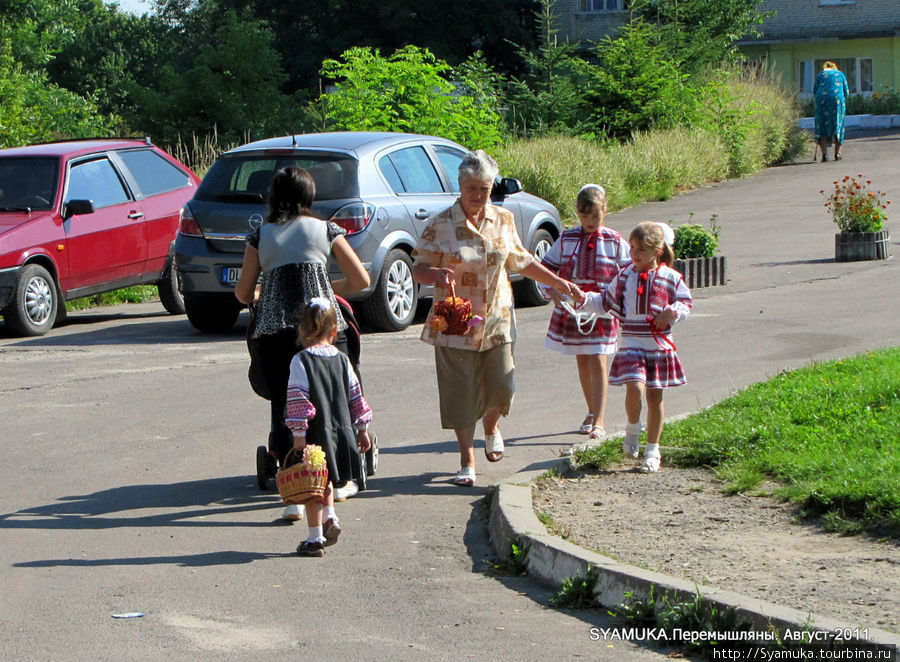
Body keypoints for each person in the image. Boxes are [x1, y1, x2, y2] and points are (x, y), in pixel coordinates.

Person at [411, 149, 581, 487]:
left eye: (484, 189)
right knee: (459, 391)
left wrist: (559, 281)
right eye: (472, 188)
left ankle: (492, 427)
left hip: (498, 318)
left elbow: (520, 259)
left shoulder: (503, 219)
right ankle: (466, 460)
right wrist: (436, 274)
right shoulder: (441, 224)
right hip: (455, 322)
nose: (477, 195)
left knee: (503, 383)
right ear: (460, 186)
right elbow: (418, 268)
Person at [235, 166, 369, 519]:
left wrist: (265, 289)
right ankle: (340, 478)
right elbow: (360, 279)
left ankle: (292, 482)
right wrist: (325, 286)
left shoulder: (259, 236)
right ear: (309, 196)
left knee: (286, 401)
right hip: (324, 326)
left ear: (273, 198)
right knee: (334, 398)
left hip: (277, 333)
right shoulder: (327, 230)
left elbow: (243, 293)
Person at [580, 221, 692, 473]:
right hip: (631, 340)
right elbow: (605, 301)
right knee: (634, 385)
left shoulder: (671, 278)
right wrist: (582, 298)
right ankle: (632, 429)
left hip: (658, 345)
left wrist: (672, 313)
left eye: (640, 250)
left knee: (654, 396)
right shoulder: (625, 275)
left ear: (657, 251)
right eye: (631, 248)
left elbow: (685, 303)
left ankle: (652, 449)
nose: (634, 255)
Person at [540, 184, 630, 439]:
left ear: (605, 211)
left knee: (598, 359)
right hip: (574, 311)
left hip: (601, 310)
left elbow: (626, 274)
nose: (590, 221)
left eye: (595, 216)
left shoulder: (614, 241)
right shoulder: (567, 238)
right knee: (582, 359)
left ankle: (599, 419)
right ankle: (591, 412)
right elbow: (545, 268)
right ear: (577, 214)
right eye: (584, 216)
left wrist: (615, 299)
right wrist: (552, 291)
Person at [284, 298, 373, 557]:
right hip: (341, 431)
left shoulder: (301, 361)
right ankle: (331, 516)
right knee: (329, 478)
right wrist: (362, 428)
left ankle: (315, 539)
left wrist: (298, 435)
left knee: (312, 488)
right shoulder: (343, 360)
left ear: (302, 330)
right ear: (334, 332)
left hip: (315, 433)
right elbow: (356, 397)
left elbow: (298, 399)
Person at [814, 61, 849, 162]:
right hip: (837, 100)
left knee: (822, 125)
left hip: (822, 100)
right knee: (838, 124)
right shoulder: (840, 74)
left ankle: (824, 155)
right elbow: (846, 93)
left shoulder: (820, 75)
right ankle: (837, 154)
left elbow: (815, 91)